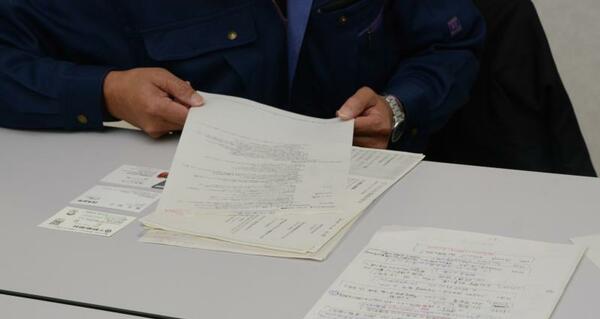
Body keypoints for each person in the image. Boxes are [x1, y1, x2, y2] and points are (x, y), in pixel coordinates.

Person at [0, 0, 485, 152]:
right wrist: (107, 92)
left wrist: (399, 107)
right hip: (177, 213)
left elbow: (450, 43)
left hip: (362, 191)